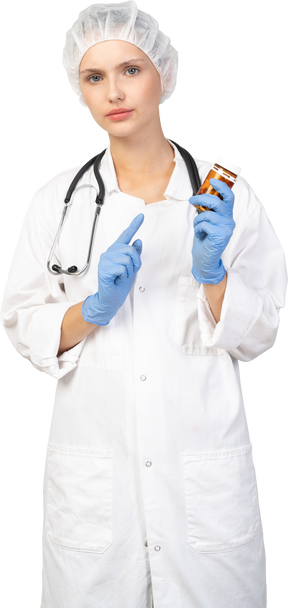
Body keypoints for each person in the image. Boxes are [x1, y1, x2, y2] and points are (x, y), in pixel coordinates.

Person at [0, 2, 287, 607]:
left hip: (202, 490)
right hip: (96, 493)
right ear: (77, 90)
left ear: (163, 73)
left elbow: (262, 336)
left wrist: (212, 278)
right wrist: (92, 310)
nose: (113, 93)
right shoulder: (56, 200)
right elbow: (23, 326)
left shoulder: (223, 192)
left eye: (130, 70)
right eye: (94, 77)